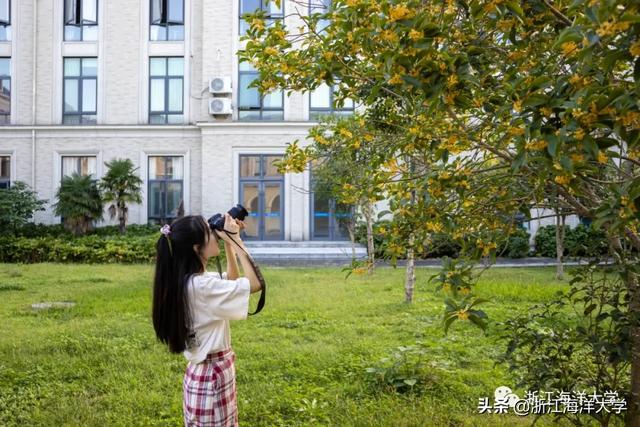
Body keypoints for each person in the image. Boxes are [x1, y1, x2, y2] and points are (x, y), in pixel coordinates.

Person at [152, 214, 262, 427]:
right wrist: (237, 240)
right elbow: (255, 284)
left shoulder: (193, 281)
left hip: (207, 374)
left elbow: (231, 280)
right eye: (209, 233)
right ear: (196, 247)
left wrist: (229, 244)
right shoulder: (201, 287)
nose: (214, 236)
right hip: (211, 379)